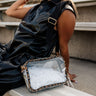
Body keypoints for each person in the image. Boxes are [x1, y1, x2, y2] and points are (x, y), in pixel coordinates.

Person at [0, 0, 77, 95]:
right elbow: (10, 11)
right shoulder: (37, 8)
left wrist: (66, 72)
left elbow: (63, 47)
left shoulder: (65, 12)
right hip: (9, 52)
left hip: (24, 64)